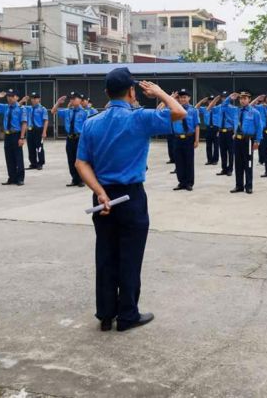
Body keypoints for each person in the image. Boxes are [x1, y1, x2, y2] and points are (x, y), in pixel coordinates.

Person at [75, 67, 187, 332]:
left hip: (102, 198)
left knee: (105, 255)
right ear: (131, 91)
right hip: (131, 197)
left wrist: (100, 191)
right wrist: (159, 92)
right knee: (130, 256)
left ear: (106, 92)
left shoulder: (92, 122)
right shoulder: (141, 118)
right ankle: (127, 315)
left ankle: (105, 314)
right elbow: (180, 113)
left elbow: (81, 163)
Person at [223, 90, 263, 194]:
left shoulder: (255, 112)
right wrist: (229, 98)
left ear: (249, 99)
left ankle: (248, 186)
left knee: (248, 163)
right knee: (238, 163)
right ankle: (239, 185)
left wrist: (257, 141)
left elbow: (259, 127)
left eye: (245, 98)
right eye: (241, 98)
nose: (242, 100)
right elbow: (224, 107)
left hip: (248, 140)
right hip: (237, 140)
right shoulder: (236, 110)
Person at [52, 92, 89, 187]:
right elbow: (53, 111)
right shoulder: (68, 111)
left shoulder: (84, 112)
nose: (72, 100)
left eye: (74, 98)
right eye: (71, 98)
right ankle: (74, 179)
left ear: (80, 100)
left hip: (79, 138)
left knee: (79, 160)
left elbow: (88, 127)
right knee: (71, 159)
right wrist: (58, 103)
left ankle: (81, 179)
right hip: (69, 138)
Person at [0, 89, 27, 186]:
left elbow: (24, 123)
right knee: (9, 157)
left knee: (18, 157)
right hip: (7, 135)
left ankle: (20, 178)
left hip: (16, 134)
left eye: (12, 96)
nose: (9, 98)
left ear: (17, 97)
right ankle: (12, 177)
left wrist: (22, 138)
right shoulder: (6, 107)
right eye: (8, 96)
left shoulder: (21, 108)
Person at [171, 89, 199, 191]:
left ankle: (189, 183)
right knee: (179, 161)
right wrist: (171, 98)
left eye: (184, 97)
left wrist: (196, 140)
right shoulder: (174, 109)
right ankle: (181, 182)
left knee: (189, 161)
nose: (182, 99)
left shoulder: (193, 110)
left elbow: (196, 126)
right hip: (177, 138)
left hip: (189, 138)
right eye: (181, 97)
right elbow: (159, 109)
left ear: (189, 98)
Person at [208, 91, 235, 176]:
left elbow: (235, 121)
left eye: (225, 97)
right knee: (222, 151)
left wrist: (235, 132)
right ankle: (224, 169)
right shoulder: (218, 107)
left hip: (229, 131)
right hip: (221, 131)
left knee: (230, 151)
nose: (224, 99)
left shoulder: (232, 108)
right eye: (222, 97)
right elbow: (209, 108)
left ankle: (230, 169)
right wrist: (216, 98)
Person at [22, 92, 49, 170]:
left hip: (38, 130)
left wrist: (44, 132)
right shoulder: (28, 108)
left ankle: (40, 163)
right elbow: (19, 106)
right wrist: (22, 100)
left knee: (39, 147)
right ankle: (33, 163)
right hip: (30, 130)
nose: (33, 100)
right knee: (31, 147)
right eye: (32, 98)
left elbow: (46, 121)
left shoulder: (42, 109)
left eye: (35, 98)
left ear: (39, 99)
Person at [195, 95, 219, 165]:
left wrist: (219, 130)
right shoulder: (205, 109)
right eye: (209, 100)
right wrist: (202, 101)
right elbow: (196, 108)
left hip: (216, 128)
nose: (211, 102)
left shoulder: (218, 108)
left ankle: (215, 160)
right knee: (208, 145)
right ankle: (209, 160)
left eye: (212, 100)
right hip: (208, 128)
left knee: (216, 145)